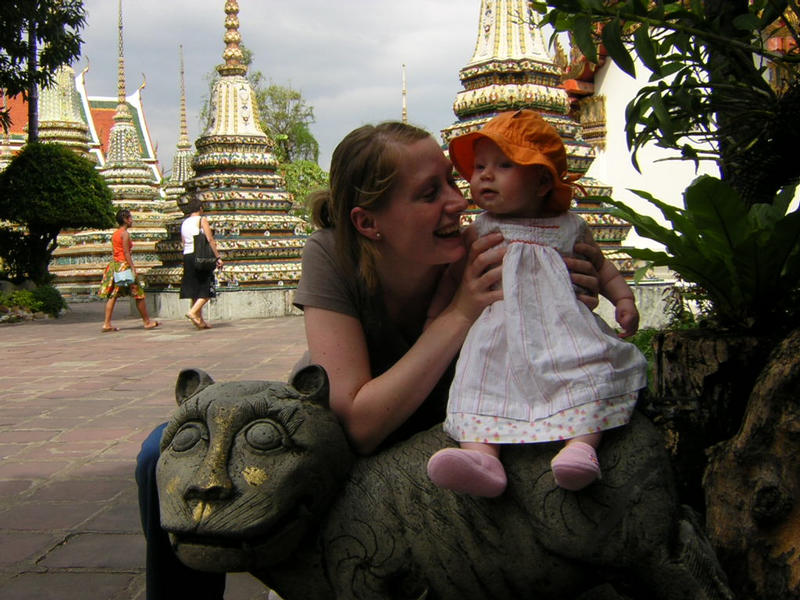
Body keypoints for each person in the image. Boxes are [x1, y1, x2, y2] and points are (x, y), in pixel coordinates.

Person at [134, 121, 603, 599]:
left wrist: (571, 289)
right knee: (160, 455)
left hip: (456, 432)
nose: (459, 203)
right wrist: (461, 311)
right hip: (348, 428)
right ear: (367, 223)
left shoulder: (490, 247)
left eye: (450, 181)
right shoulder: (332, 253)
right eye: (428, 194)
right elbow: (357, 425)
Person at [426, 109, 648, 498]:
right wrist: (436, 316)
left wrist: (623, 299)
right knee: (480, 383)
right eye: (479, 167)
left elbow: (601, 266)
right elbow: (453, 279)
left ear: (543, 179)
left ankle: (580, 449)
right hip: (499, 334)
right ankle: (482, 459)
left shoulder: (570, 226)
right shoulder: (480, 229)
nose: (484, 175)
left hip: (565, 330)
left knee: (587, 374)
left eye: (504, 164)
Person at [98, 208, 159, 332]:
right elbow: (126, 252)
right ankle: (147, 322)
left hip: (115, 266)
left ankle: (106, 323)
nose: (132, 220)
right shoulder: (124, 234)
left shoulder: (115, 234)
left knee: (113, 295)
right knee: (138, 294)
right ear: (125, 220)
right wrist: (132, 267)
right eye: (130, 218)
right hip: (124, 266)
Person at [180, 198, 223, 329]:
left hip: (187, 256)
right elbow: (210, 239)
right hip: (200, 256)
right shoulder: (201, 220)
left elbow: (183, 242)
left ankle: (199, 320)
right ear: (200, 209)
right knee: (206, 287)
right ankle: (193, 312)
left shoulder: (184, 223)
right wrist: (218, 257)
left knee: (195, 289)